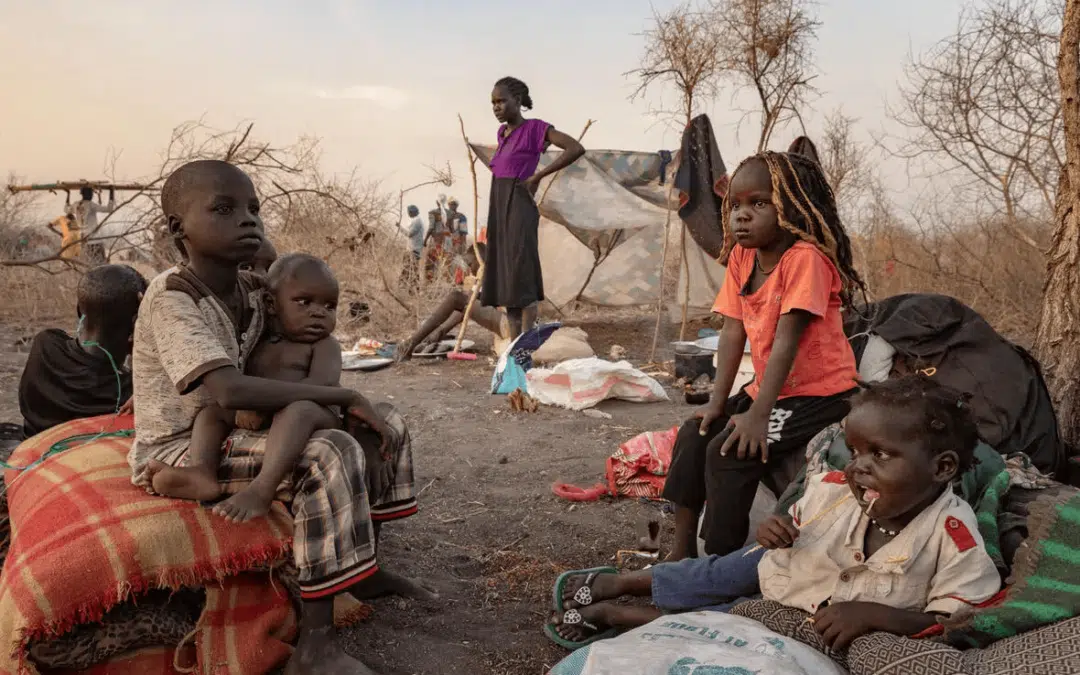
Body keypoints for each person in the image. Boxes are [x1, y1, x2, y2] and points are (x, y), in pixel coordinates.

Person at [130, 159, 430, 675]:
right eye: (224, 209)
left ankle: (367, 571)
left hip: (243, 423)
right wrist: (339, 398)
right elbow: (225, 388)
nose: (247, 219)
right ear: (179, 229)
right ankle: (317, 647)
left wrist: (346, 401)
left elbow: (294, 303)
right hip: (186, 439)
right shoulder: (173, 296)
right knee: (328, 453)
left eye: (253, 209)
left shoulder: (250, 289)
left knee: (387, 422)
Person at [549, 376, 1002, 651]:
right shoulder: (834, 489)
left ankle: (615, 615)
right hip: (785, 565)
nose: (858, 466)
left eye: (881, 455)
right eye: (856, 451)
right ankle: (624, 582)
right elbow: (796, 520)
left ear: (941, 468)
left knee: (726, 620)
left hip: (794, 605)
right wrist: (773, 528)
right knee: (712, 574)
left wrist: (876, 615)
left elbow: (955, 620)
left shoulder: (954, 537)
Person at [661, 150, 869, 562]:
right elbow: (733, 330)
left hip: (818, 395)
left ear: (790, 207)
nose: (742, 216)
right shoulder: (742, 256)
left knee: (730, 452)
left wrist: (757, 416)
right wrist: (717, 404)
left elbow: (787, 342)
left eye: (758, 204)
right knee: (694, 434)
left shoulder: (805, 260)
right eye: (735, 205)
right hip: (768, 390)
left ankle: (719, 563)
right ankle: (681, 548)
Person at [148, 253, 346, 523]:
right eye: (304, 302)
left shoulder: (324, 345)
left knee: (299, 410)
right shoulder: (259, 339)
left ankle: (262, 489)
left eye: (329, 306)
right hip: (264, 414)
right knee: (211, 413)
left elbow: (319, 386)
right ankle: (202, 471)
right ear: (271, 304)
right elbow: (239, 380)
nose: (318, 312)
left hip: (315, 414)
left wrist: (260, 408)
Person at [484, 76, 584, 338]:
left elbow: (575, 148)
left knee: (520, 273)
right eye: (493, 103)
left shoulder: (536, 129)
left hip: (518, 205)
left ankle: (527, 341)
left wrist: (538, 176)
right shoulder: (502, 134)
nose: (496, 107)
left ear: (517, 101)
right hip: (498, 207)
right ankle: (516, 345)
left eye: (502, 101)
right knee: (507, 278)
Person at [18, 264, 146, 438]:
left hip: (32, 451)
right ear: (137, 325)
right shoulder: (131, 391)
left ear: (79, 310)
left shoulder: (45, 347)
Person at [394, 244, 515, 361]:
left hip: (507, 324)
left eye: (470, 263)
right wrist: (439, 332)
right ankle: (417, 341)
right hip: (505, 323)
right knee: (460, 300)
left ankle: (411, 343)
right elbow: (465, 309)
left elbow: (462, 302)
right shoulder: (490, 275)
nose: (470, 269)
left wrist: (440, 330)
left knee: (456, 297)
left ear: (481, 259)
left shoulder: (494, 274)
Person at [66, 186, 115, 263]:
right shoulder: (91, 205)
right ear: (87, 194)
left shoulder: (76, 205)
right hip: (94, 240)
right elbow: (109, 209)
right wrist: (112, 192)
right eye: (91, 194)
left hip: (83, 241)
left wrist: (68, 194)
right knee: (101, 263)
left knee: (87, 263)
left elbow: (66, 209)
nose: (92, 196)